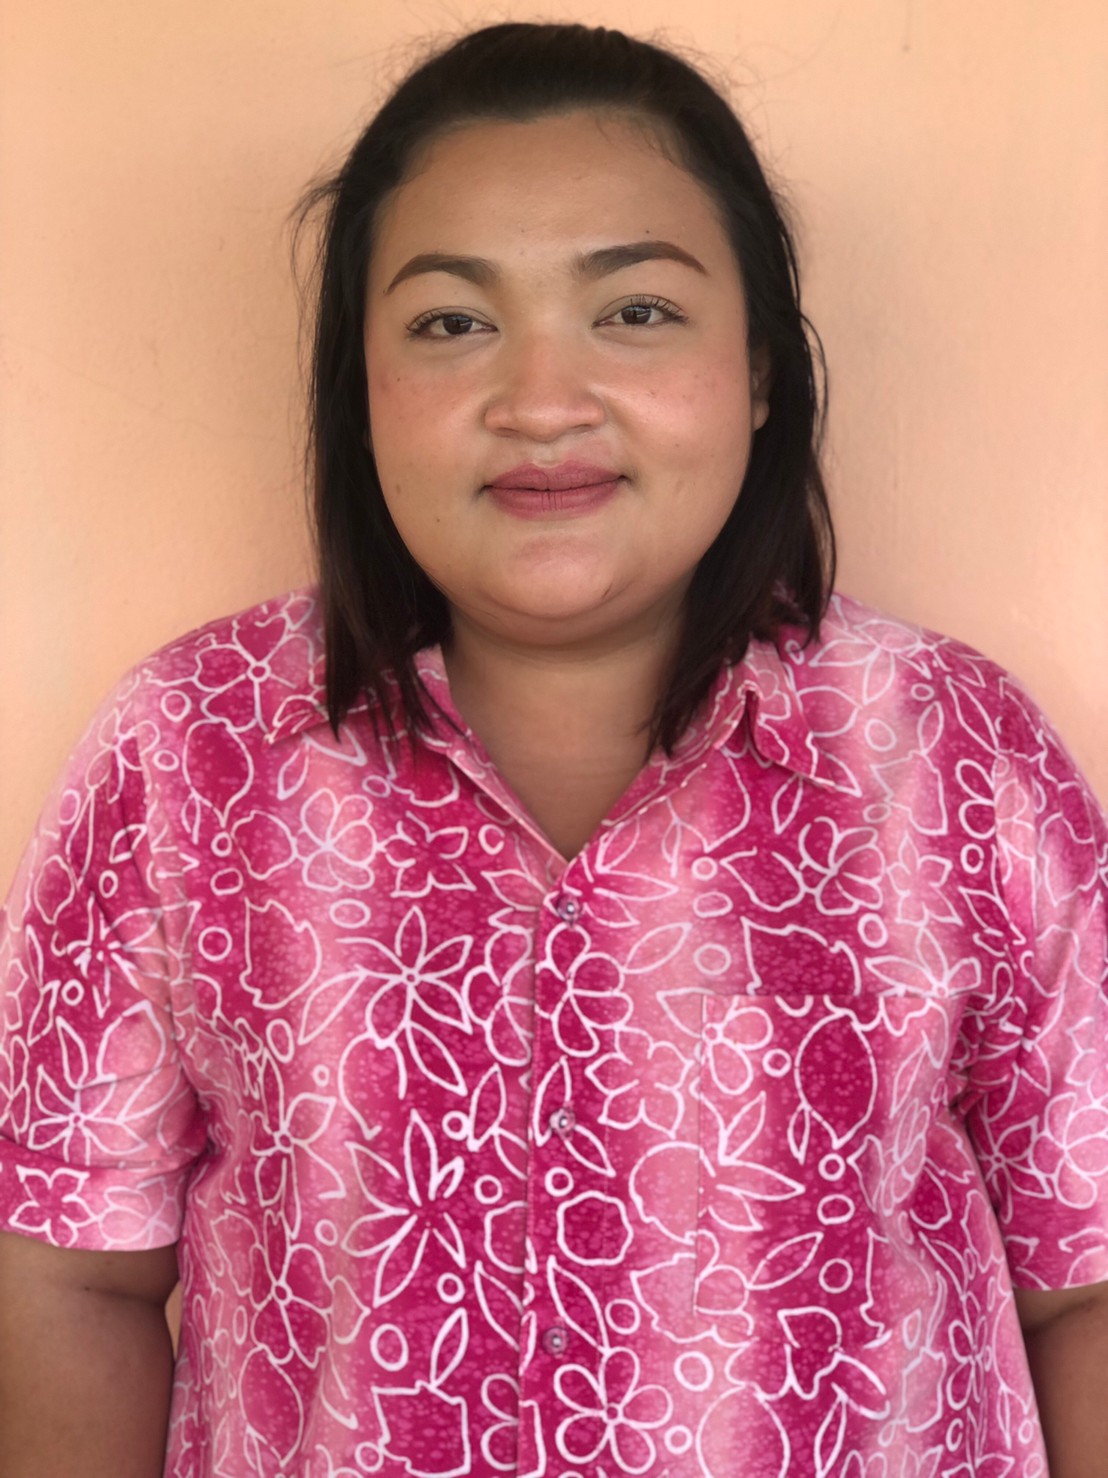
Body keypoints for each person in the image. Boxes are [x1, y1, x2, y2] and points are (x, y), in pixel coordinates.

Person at [1, 19, 1106, 1477]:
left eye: (635, 309)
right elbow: (72, 1270)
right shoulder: (190, 753)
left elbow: (1086, 1279)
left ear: (759, 368)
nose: (540, 401)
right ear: (360, 388)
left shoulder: (955, 752)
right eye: (451, 323)